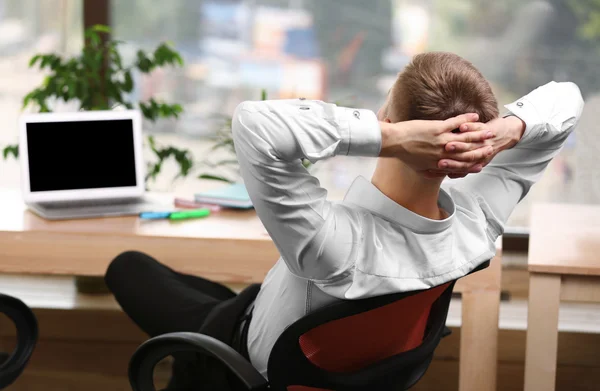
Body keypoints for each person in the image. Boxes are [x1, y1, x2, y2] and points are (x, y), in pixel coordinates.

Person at [105, 52, 583, 389]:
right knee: (218, 291)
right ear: (478, 153)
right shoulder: (477, 226)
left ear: (390, 121)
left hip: (239, 363)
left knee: (127, 265)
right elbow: (567, 98)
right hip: (317, 358)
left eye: (386, 118)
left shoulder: (337, 247)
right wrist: (511, 129)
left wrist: (387, 137)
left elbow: (255, 124)